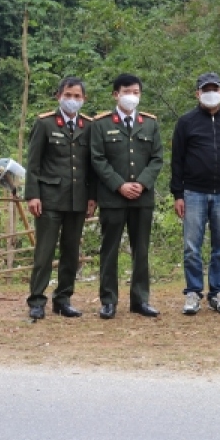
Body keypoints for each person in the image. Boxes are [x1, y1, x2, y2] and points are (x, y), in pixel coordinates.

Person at [171, 72, 220, 316]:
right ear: (198, 93)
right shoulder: (186, 122)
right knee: (192, 246)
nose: (211, 93)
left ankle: (218, 293)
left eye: (215, 88)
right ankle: (193, 292)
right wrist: (178, 194)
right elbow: (177, 161)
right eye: (206, 89)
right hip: (193, 193)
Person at [90, 73, 163, 320]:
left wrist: (141, 183)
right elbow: (97, 159)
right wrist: (120, 185)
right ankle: (108, 300)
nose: (131, 96)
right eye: (127, 92)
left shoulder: (150, 124)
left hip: (142, 198)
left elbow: (157, 159)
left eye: (136, 92)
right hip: (113, 197)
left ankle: (140, 299)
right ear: (116, 94)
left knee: (141, 250)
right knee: (109, 250)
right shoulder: (101, 124)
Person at [24, 77, 96, 320]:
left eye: (77, 96)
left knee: (71, 252)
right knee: (44, 252)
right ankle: (36, 300)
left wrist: (92, 197)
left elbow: (92, 166)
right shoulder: (45, 124)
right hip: (49, 198)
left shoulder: (89, 126)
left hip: (77, 199)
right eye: (68, 95)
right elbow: (33, 163)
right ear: (59, 96)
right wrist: (33, 195)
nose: (73, 100)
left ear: (84, 99)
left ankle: (63, 298)